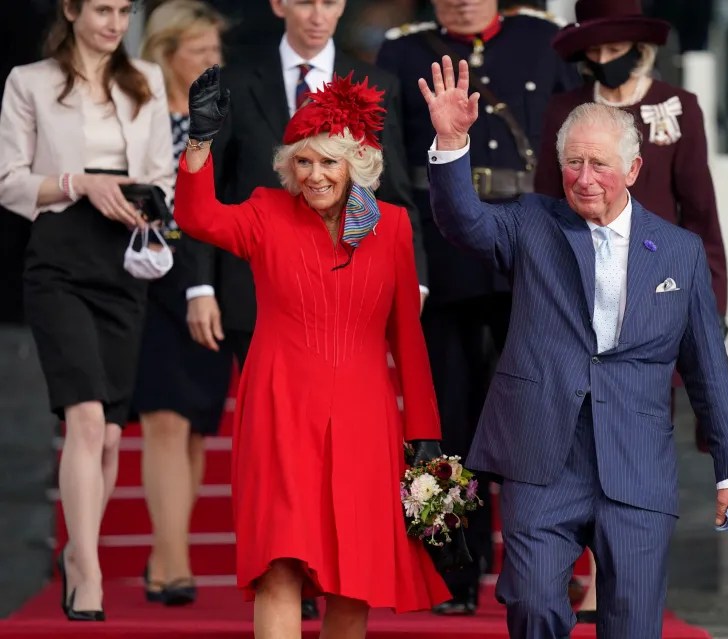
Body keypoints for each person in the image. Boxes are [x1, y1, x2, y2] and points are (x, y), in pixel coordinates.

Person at [419, 56, 728, 638]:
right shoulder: (532, 224)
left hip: (636, 461)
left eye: (599, 163)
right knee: (531, 603)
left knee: (631, 625)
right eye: (572, 162)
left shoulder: (678, 252)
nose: (584, 177)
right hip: (543, 454)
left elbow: (708, 369)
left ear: (633, 169)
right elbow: (463, 222)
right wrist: (452, 142)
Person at [175, 65, 450, 639]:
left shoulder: (393, 227)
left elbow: (407, 336)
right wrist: (199, 140)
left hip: (364, 418)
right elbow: (196, 217)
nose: (316, 175)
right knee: (278, 564)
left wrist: (423, 428)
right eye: (303, 161)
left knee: (356, 577)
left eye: (329, 160)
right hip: (279, 409)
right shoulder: (263, 213)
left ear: (358, 163)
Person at [375, 0, 580, 614]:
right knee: (445, 419)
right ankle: (451, 571)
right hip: (441, 254)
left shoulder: (544, 42)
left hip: (528, 248)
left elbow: (569, 145)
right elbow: (388, 166)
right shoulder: (403, 50)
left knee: (535, 414)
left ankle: (538, 559)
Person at [533, 1, 728, 617]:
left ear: (637, 45)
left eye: (611, 46)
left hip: (657, 303)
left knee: (637, 442)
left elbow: (700, 217)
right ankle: (580, 569)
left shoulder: (678, 107)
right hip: (573, 302)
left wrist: (710, 310)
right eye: (590, 50)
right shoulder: (567, 110)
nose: (602, 59)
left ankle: (619, 578)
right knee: (574, 435)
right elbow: (543, 207)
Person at [0, 0, 174, 620]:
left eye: (125, 10)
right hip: (59, 255)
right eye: (102, 8)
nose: (115, 22)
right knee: (86, 416)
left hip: (123, 258)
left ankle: (79, 551)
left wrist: (149, 200)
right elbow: (10, 182)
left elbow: (162, 172)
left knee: (109, 432)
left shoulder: (146, 80)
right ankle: (89, 572)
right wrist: (80, 182)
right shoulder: (30, 82)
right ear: (71, 10)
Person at [132, 0, 233, 607]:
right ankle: (173, 562)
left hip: (207, 276)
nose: (210, 62)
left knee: (195, 427)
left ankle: (165, 550)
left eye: (215, 51)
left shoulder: (225, 116)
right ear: (166, 53)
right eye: (198, 51)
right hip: (147, 276)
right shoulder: (136, 109)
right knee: (164, 421)